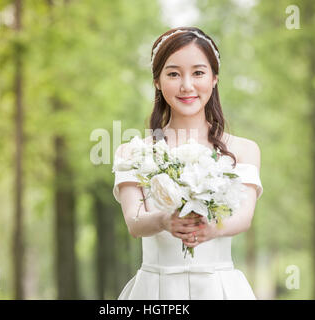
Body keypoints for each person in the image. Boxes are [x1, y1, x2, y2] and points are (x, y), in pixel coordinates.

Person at [112, 27, 263, 299]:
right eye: (173, 73)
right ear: (157, 81)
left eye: (198, 72)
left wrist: (210, 229)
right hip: (156, 291)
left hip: (219, 288)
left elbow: (244, 217)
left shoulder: (243, 150)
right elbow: (134, 223)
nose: (186, 86)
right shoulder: (132, 152)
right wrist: (164, 220)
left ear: (215, 78)